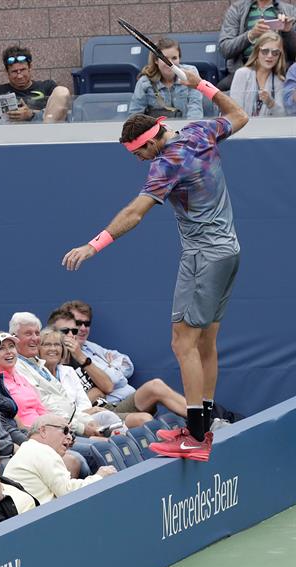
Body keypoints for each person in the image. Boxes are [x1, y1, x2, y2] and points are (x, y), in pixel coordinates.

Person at [62, 68, 250, 460]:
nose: (138, 160)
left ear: (147, 144)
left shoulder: (164, 163)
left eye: (136, 153)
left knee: (182, 343)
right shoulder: (199, 132)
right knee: (206, 342)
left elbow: (134, 213)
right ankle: (207, 422)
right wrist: (198, 82)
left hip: (202, 257)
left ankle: (196, 437)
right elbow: (239, 115)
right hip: (229, 251)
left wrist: (93, 246)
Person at [55, 301, 188, 421]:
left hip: (126, 398)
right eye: (78, 324)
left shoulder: (90, 346)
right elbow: (108, 385)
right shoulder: (62, 356)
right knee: (147, 411)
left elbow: (127, 364)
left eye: (87, 324)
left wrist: (110, 371)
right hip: (105, 407)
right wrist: (107, 373)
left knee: (156, 386)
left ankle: (200, 419)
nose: (83, 328)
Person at [3, 415, 116, 505]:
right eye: (65, 430)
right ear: (43, 431)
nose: (70, 437)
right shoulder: (42, 451)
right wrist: (100, 477)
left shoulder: (29, 449)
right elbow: (67, 492)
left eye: (70, 433)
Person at [0, 45, 70, 124]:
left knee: (61, 91)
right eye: (14, 72)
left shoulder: (47, 86)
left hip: (40, 133)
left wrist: (30, 115)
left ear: (30, 67)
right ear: (6, 72)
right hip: (9, 137)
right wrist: (4, 119)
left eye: (23, 70)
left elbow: (61, 111)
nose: (19, 76)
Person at [218, 0, 296, 89]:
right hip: (245, 68)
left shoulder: (290, 11)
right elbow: (225, 49)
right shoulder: (237, 9)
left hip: (279, 70)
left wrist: (287, 32)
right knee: (218, 92)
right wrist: (250, 35)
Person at [129, 38, 203, 119]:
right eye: (165, 59)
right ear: (156, 60)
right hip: (157, 129)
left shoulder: (190, 74)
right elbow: (135, 116)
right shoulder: (144, 82)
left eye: (174, 58)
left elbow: (195, 107)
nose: (170, 63)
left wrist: (190, 130)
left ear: (179, 58)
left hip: (186, 128)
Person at [0, 333, 47, 428]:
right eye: (2, 348)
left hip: (44, 429)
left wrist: (55, 425)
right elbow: (12, 422)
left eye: (11, 346)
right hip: (27, 435)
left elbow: (40, 408)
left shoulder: (21, 377)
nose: (9, 352)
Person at [230, 31, 287, 116]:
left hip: (269, 128)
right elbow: (234, 110)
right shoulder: (242, 74)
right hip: (243, 127)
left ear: (279, 56)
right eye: (265, 51)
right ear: (257, 52)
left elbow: (283, 116)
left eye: (275, 53)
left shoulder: (279, 81)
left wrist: (270, 103)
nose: (270, 55)